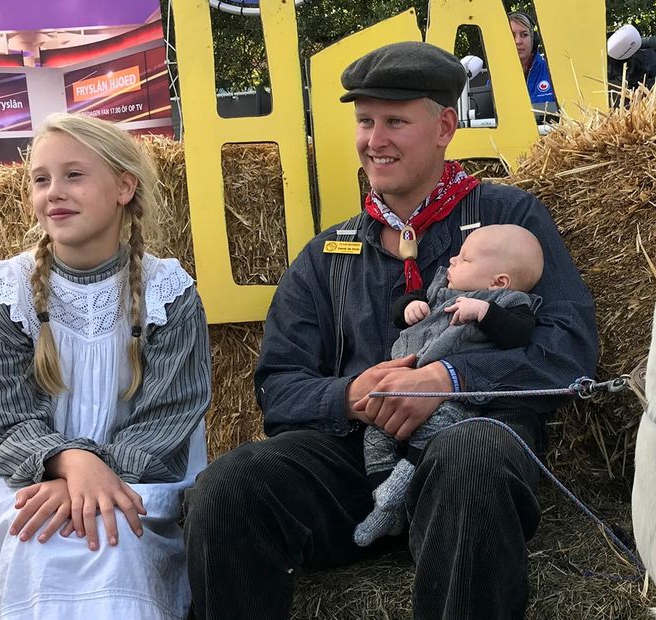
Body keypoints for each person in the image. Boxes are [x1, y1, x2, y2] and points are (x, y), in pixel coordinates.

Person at [183, 41, 598, 620]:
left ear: (444, 126)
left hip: (469, 442)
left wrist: (448, 377)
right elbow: (278, 386)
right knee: (228, 485)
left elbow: (570, 348)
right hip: (354, 459)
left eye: (395, 121)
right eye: (365, 121)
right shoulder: (327, 253)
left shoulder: (511, 217)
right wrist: (348, 397)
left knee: (471, 449)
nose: (374, 139)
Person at [0, 113, 211, 619]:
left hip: (139, 479)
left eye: (74, 175)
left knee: (116, 538)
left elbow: (170, 417)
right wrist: (69, 464)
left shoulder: (167, 293)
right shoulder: (4, 293)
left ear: (124, 186)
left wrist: (100, 477)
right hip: (22, 478)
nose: (54, 192)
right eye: (41, 179)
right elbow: (0, 419)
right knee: (40, 539)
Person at [354, 224, 545, 547]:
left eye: (465, 258)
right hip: (403, 384)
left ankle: (398, 493)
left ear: (498, 281)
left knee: (438, 432)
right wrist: (408, 308)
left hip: (453, 403)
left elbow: (518, 334)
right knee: (375, 435)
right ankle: (384, 498)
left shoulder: (508, 302)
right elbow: (401, 309)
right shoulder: (440, 288)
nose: (453, 260)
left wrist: (484, 312)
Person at [509, 11, 558, 107]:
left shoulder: (552, 71)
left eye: (524, 35)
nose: (518, 41)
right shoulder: (496, 77)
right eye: (512, 35)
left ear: (533, 39)